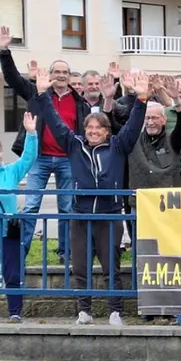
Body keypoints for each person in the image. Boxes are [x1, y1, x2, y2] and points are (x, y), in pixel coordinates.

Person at [33, 68, 149, 326]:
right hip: (81, 215)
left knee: (112, 268)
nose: (93, 131)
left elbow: (132, 127)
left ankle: (115, 311)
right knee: (80, 267)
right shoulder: (74, 145)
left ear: (107, 132)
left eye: (99, 128)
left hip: (109, 216)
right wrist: (42, 95)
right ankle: (83, 311)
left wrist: (141, 100)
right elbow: (54, 122)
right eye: (90, 127)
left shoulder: (118, 146)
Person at [0, 26, 90, 264]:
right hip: (39, 158)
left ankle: (65, 254)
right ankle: (20, 254)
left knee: (67, 208)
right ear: (50, 75)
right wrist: (4, 50)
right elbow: (12, 78)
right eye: (57, 71)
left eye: (65, 72)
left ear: (70, 77)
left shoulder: (80, 102)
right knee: (30, 208)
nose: (61, 75)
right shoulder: (37, 93)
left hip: (67, 160)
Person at [0, 112, 38, 323]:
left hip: (8, 230)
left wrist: (31, 134)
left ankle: (15, 311)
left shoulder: (10, 172)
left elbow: (28, 159)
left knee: (12, 274)